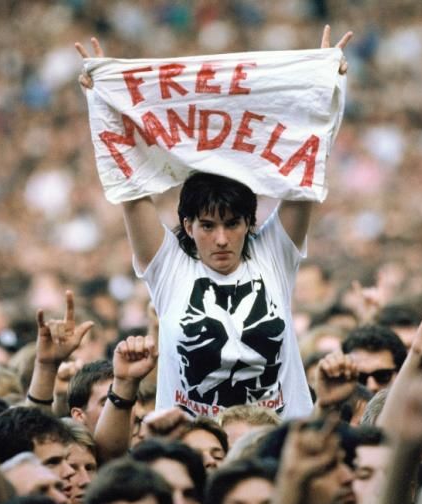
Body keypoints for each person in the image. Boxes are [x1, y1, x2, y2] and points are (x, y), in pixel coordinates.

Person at [75, 28, 352, 421]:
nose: (221, 239)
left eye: (232, 224)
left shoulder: (274, 255)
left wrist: (320, 82)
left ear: (250, 223)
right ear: (187, 226)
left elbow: (304, 172)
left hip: (277, 442)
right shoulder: (169, 269)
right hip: (191, 447)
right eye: (207, 226)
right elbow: (131, 189)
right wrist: (106, 95)